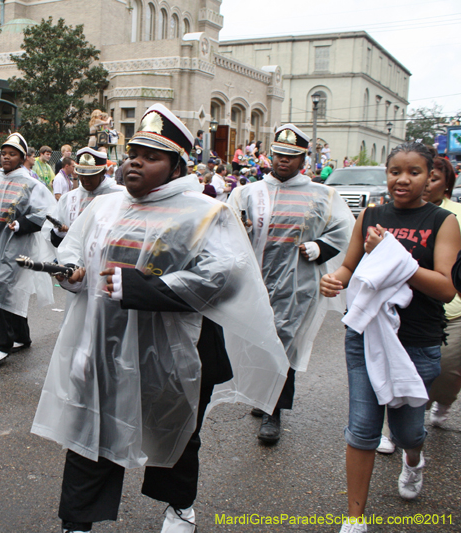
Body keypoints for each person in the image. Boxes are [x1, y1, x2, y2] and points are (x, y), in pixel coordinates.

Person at [32, 104, 288, 533]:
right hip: (106, 344)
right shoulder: (104, 209)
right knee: (91, 423)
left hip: (175, 352)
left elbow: (221, 278)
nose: (136, 161)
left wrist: (138, 288)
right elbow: (74, 252)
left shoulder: (206, 213)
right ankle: (77, 518)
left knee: (175, 430)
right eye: (134, 152)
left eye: (151, 156)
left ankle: (180, 504)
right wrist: (72, 274)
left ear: (175, 167)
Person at [320, 143, 460, 533]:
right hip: (365, 334)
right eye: (395, 171)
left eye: (414, 172)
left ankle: (413, 459)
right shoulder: (370, 216)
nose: (402, 179)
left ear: (430, 176)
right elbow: (349, 266)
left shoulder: (442, 221)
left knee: (407, 432)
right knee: (363, 428)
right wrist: (335, 280)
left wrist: (393, 254)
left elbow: (446, 288)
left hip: (417, 340)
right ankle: (355, 519)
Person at [227, 124, 355, 444]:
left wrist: (319, 247)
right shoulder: (247, 193)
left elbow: (345, 230)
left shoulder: (323, 196)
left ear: (303, 160)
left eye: (291, 156)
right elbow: (225, 229)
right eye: (279, 154)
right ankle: (262, 395)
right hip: (255, 282)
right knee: (257, 341)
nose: (283, 161)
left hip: (298, 286)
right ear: (270, 156)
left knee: (284, 344)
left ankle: (274, 412)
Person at [0, 133, 56, 367]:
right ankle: (22, 336)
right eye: (3, 153)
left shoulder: (30, 182)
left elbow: (45, 214)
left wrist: (21, 224)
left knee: (2, 288)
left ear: (22, 157)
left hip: (18, 245)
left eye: (12, 154)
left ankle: (0, 345)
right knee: (8, 289)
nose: (6, 157)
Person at [424, 157, 461, 427]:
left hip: (453, 309)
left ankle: (444, 401)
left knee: (449, 370)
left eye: (433, 178)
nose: (425, 183)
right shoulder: (398, 212)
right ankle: (396, 428)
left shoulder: (456, 215)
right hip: (412, 309)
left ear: (446, 184)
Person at [42, 147, 123, 250]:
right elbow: (56, 242)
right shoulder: (68, 198)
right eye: (82, 175)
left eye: (91, 175)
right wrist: (59, 232)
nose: (85, 179)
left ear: (102, 172)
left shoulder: (119, 195)